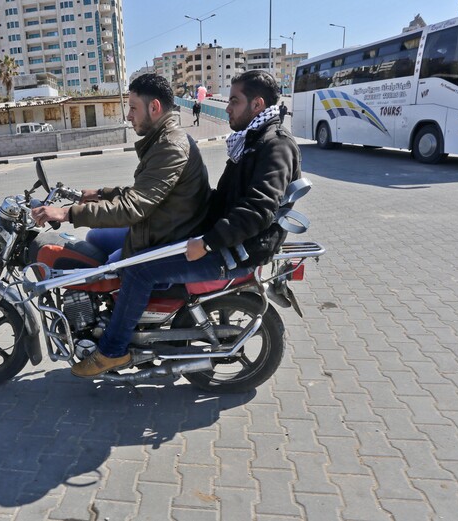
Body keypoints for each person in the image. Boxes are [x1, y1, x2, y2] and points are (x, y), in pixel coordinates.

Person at [61, 70, 302, 378]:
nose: (226, 107)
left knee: (137, 269)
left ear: (256, 105)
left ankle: (112, 350)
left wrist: (208, 241)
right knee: (112, 244)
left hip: (235, 249)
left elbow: (259, 209)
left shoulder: (275, 146)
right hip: (220, 235)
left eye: (233, 100)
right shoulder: (251, 139)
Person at [30, 73, 212, 373]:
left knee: (113, 269)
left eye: (132, 108)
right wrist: (98, 194)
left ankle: (112, 349)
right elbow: (145, 192)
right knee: (98, 239)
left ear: (154, 107)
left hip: (170, 234)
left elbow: (135, 206)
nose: (128, 116)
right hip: (166, 222)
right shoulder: (162, 140)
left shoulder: (170, 146)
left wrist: (67, 214)